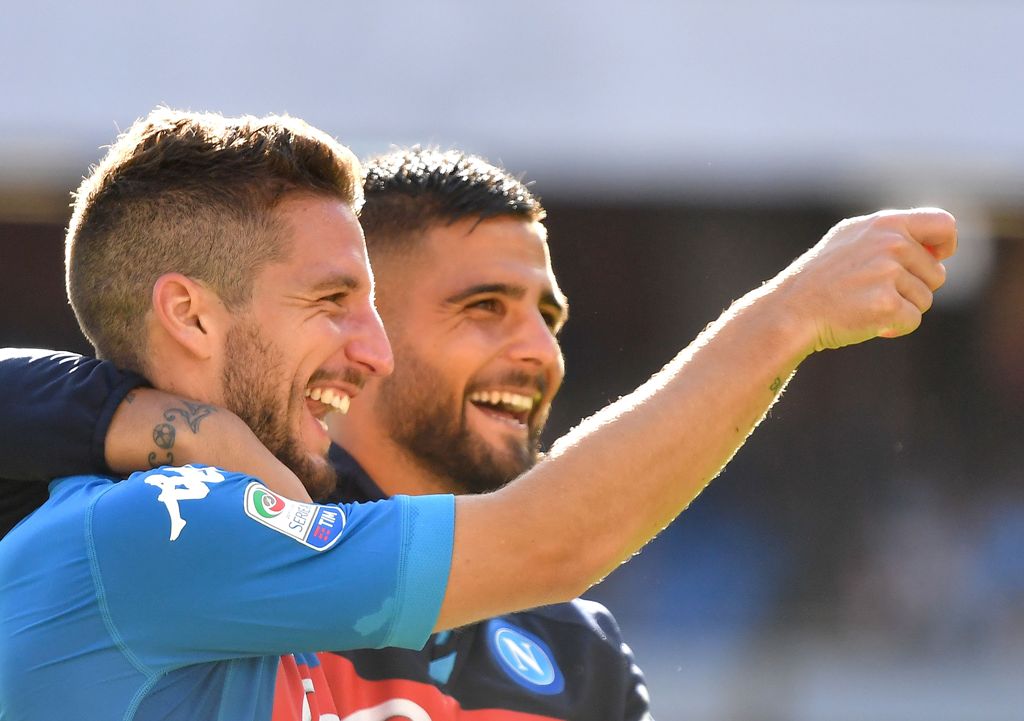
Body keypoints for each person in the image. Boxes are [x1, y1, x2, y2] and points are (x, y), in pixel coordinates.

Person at [0, 107, 957, 719]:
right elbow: (553, 537)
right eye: (333, 302)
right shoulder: (165, 524)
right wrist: (789, 315)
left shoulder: (235, 549)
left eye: (549, 315)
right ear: (192, 312)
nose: (367, 350)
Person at [0, 147, 652, 720]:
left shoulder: (580, 648)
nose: (542, 352)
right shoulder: (188, 530)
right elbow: (560, 540)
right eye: (484, 307)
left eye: (547, 317)